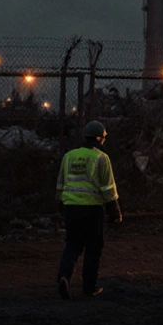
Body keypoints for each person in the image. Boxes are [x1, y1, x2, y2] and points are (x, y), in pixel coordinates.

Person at [55, 120, 122, 299]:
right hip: (92, 210)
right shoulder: (101, 158)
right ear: (99, 138)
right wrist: (114, 212)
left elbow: (60, 184)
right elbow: (108, 188)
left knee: (72, 245)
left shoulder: (69, 156)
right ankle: (89, 287)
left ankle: (64, 277)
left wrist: (61, 206)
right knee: (93, 247)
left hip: (70, 209)